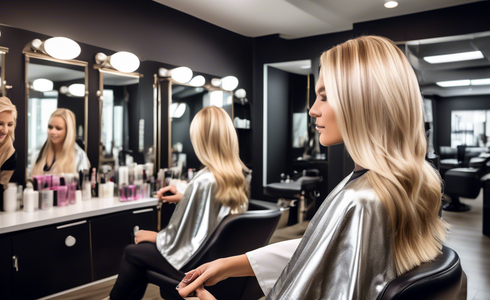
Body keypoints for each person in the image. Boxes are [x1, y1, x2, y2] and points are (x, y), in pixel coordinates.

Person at [177, 36, 448, 300]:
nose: (312, 110)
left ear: (363, 103)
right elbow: (327, 248)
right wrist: (230, 265)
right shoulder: (400, 184)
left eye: (325, 97)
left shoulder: (361, 200)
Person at [109, 106, 251, 300]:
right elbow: (213, 217)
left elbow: (186, 240)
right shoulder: (236, 176)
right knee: (140, 260)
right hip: (218, 259)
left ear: (201, 140)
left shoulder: (205, 180)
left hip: (196, 263)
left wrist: (156, 237)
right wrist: (185, 197)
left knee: (133, 251)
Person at [31, 108, 89, 175]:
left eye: (58, 128)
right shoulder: (37, 157)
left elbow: (84, 183)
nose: (52, 132)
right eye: (50, 127)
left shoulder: (79, 157)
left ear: (68, 131)